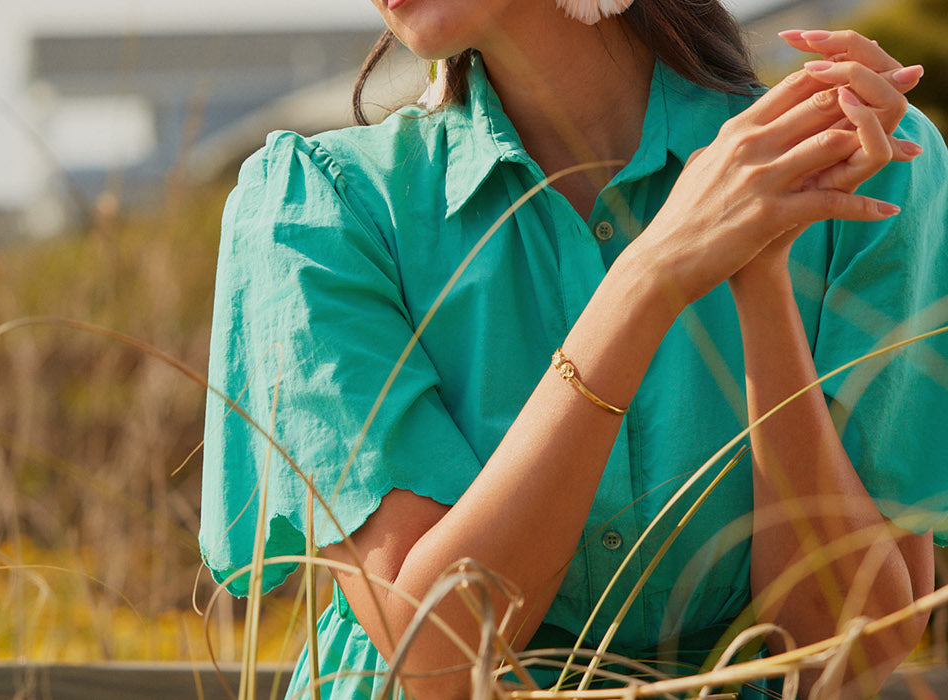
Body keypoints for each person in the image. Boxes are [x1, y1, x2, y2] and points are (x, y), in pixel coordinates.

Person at [199, 0, 948, 698]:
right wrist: (650, 277)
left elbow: (848, 644)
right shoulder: (316, 208)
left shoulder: (854, 161)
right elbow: (436, 653)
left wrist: (759, 269)